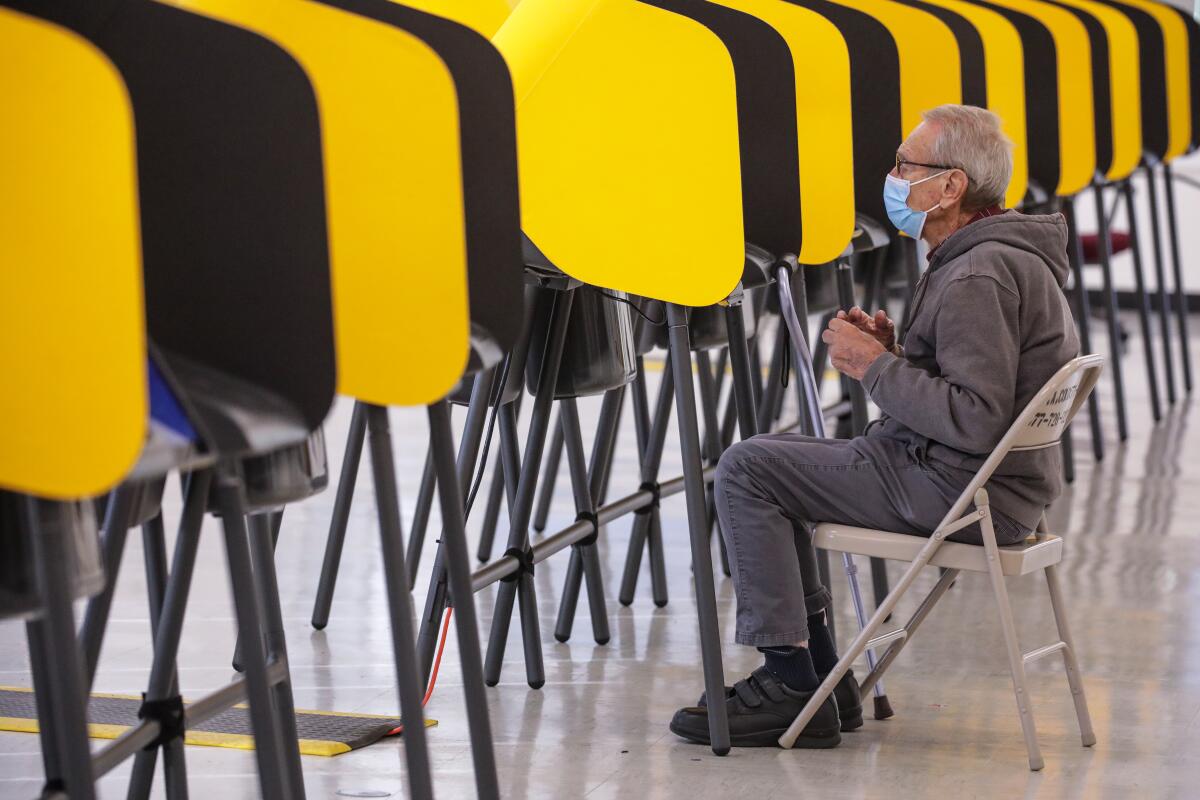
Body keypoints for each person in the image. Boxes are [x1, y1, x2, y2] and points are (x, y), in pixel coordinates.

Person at [670, 104, 1080, 748]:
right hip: (988, 485)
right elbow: (977, 385)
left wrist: (875, 370)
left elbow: (975, 418)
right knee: (771, 459)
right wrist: (899, 353)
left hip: (962, 492)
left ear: (951, 186)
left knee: (749, 467)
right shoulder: (995, 256)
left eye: (905, 166)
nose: (891, 177)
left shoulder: (977, 271)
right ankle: (818, 683)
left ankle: (790, 681)